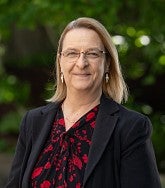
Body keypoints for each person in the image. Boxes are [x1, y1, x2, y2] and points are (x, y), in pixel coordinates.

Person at [6, 17, 161, 188]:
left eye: (92, 54)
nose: (81, 63)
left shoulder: (131, 128)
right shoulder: (33, 121)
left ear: (107, 63)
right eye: (72, 53)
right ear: (60, 61)